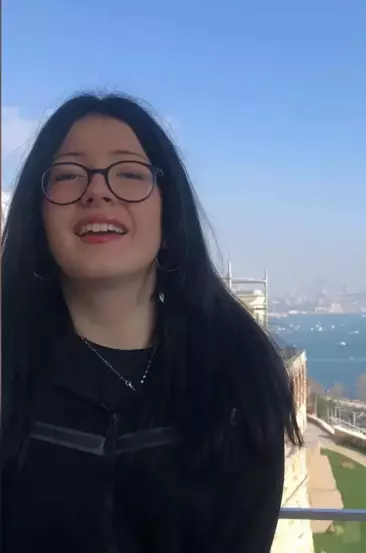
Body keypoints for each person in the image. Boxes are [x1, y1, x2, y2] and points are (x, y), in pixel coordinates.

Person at [1, 93, 303, 553]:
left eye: (129, 173)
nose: (97, 191)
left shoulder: (235, 379)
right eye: (67, 174)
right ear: (37, 215)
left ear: (169, 212)